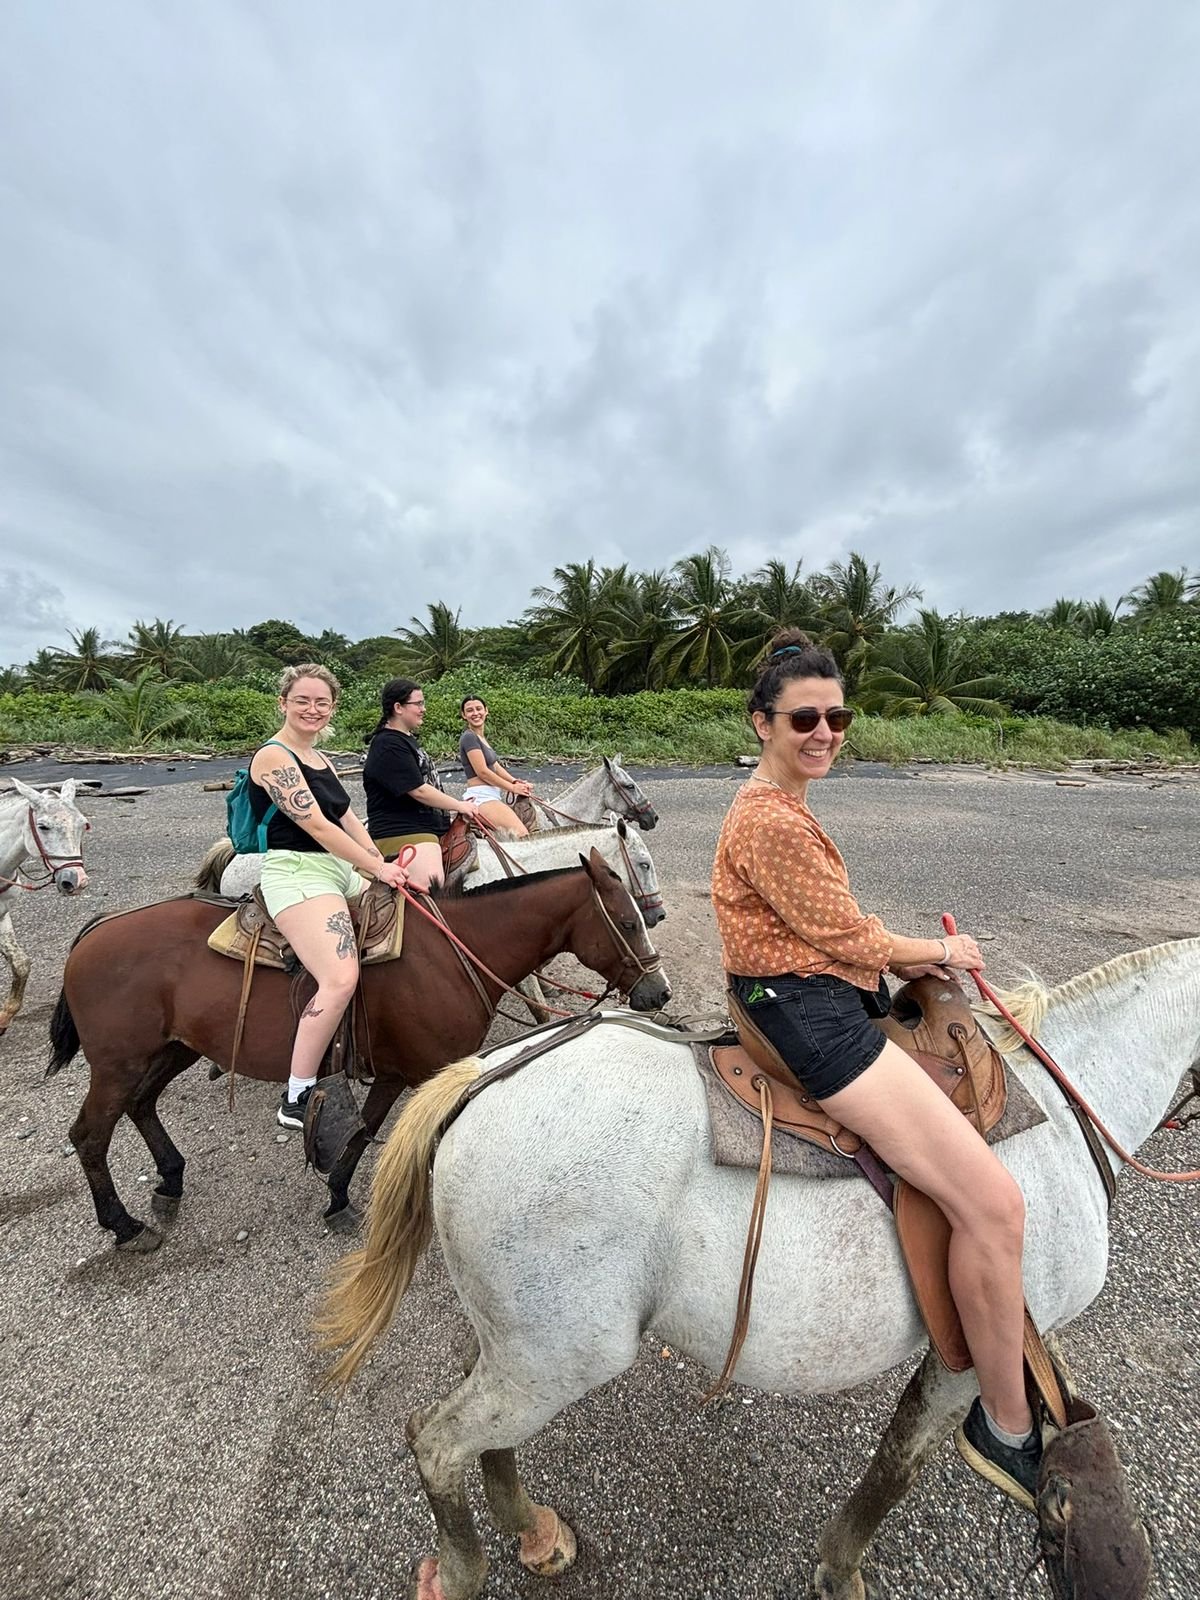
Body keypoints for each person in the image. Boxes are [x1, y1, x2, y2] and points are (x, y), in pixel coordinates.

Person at [711, 629, 1040, 1508]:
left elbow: (836, 929)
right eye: (805, 718)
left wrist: (900, 963)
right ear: (762, 723)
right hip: (808, 1013)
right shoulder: (770, 818)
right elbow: (848, 936)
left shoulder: (782, 803)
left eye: (838, 716)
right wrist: (941, 949)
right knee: (996, 1203)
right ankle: (1007, 1427)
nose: (825, 731)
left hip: (808, 990)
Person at [249, 664, 408, 1130]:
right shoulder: (273, 758)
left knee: (409, 918)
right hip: (296, 872)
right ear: (283, 703)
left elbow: (345, 818)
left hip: (339, 868)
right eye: (302, 700)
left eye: (321, 702)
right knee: (339, 977)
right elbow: (315, 824)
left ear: (332, 707)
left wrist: (379, 862)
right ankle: (296, 1094)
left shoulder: (321, 758)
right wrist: (375, 866)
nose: (312, 709)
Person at [363, 677, 478, 892]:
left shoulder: (405, 739)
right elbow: (419, 790)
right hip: (403, 830)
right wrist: (460, 805)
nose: (423, 709)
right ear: (398, 707)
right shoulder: (388, 744)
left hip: (427, 827)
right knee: (431, 884)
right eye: (418, 704)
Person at [458, 694, 534, 836]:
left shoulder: (480, 737)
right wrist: (512, 788)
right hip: (482, 796)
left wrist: (515, 781)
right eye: (469, 710)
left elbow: (495, 766)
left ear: (486, 710)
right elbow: (483, 772)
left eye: (479, 709)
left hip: (492, 794)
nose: (475, 713)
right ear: (463, 715)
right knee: (522, 834)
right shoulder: (469, 737)